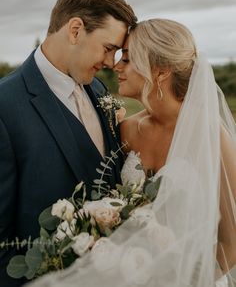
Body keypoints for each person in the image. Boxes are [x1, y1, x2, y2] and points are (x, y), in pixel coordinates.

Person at [27, 18, 236, 287]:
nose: (115, 66)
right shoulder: (125, 130)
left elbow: (232, 240)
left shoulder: (211, 137)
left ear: (160, 72)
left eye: (126, 59)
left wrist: (183, 279)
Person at [0, 0, 137, 287]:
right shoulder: (4, 108)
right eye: (108, 48)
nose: (108, 63)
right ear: (75, 30)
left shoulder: (98, 90)